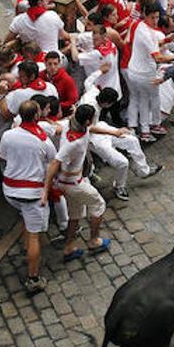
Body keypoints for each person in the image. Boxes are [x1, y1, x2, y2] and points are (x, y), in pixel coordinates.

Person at [0, 100, 57, 295]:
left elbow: (3, 157)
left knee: (25, 218)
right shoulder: (43, 141)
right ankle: (33, 278)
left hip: (10, 190)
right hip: (31, 194)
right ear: (37, 116)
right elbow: (52, 163)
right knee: (34, 235)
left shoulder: (8, 135)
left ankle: (25, 249)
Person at [46, 104, 119, 261]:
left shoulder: (72, 124)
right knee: (98, 204)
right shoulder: (74, 143)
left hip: (69, 182)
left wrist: (115, 132)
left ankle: (69, 248)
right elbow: (55, 163)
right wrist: (46, 191)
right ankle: (94, 241)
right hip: (73, 184)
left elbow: (91, 129)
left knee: (76, 214)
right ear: (86, 121)